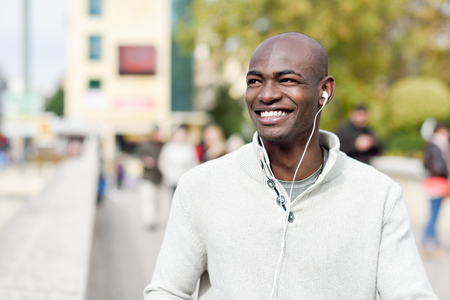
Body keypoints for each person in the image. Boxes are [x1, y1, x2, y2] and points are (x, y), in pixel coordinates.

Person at [144, 32, 436, 299]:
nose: (266, 95)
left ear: (325, 91)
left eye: (286, 80)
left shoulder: (379, 195)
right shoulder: (200, 187)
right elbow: (167, 290)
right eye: (255, 81)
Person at [422, 123, 450, 256]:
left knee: (433, 214)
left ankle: (429, 243)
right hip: (437, 182)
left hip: (432, 182)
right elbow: (439, 166)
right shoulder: (439, 145)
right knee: (434, 215)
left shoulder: (431, 144)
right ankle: (430, 244)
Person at [157, 125, 198, 193]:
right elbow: (162, 163)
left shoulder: (189, 147)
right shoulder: (168, 147)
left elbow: (193, 162)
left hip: (186, 181)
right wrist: (168, 175)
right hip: (171, 181)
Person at [137, 127, 164, 229]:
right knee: (148, 200)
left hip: (158, 177)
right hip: (147, 177)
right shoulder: (145, 145)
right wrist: (146, 160)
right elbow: (140, 156)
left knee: (156, 200)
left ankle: (154, 219)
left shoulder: (162, 145)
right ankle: (149, 221)